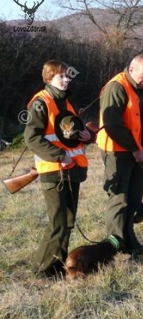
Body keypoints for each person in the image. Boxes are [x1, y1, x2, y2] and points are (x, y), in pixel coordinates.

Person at [24, 59, 92, 279]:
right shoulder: (41, 103)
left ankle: (57, 266)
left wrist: (86, 137)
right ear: (48, 78)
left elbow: (70, 137)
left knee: (68, 222)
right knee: (58, 224)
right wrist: (59, 156)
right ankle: (41, 270)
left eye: (67, 75)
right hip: (54, 171)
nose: (66, 79)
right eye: (60, 76)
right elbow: (31, 138)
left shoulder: (67, 103)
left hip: (72, 170)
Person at [96, 54, 143, 255]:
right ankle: (115, 247)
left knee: (134, 198)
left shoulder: (142, 89)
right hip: (118, 152)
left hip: (137, 151)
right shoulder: (116, 88)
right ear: (131, 70)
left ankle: (129, 241)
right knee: (119, 199)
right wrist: (134, 148)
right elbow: (113, 125)